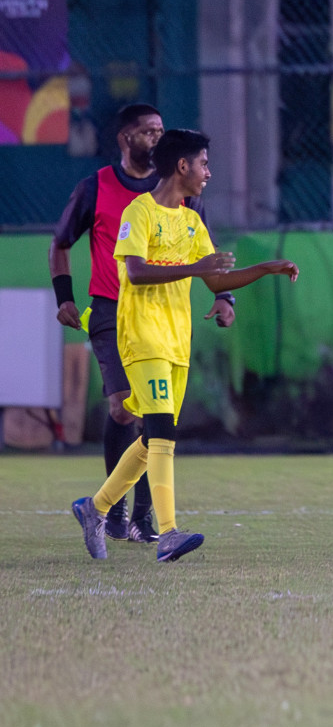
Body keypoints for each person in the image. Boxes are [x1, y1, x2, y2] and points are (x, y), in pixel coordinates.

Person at [71, 129, 299, 562]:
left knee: (151, 439)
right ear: (182, 166)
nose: (208, 173)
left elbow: (214, 278)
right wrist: (194, 266)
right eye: (205, 164)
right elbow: (136, 272)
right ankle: (170, 532)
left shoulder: (191, 220)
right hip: (143, 335)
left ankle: (94, 507)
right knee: (163, 435)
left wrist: (266, 269)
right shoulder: (139, 212)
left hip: (177, 339)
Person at [50, 104, 235, 544]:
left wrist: (224, 294)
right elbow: (60, 244)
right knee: (125, 410)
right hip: (113, 312)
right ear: (124, 138)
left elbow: (206, 258)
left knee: (150, 420)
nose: (155, 137)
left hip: (167, 318)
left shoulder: (185, 199)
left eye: (160, 131)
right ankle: (125, 517)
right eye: (146, 131)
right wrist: (64, 298)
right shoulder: (98, 188)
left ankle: (123, 513)